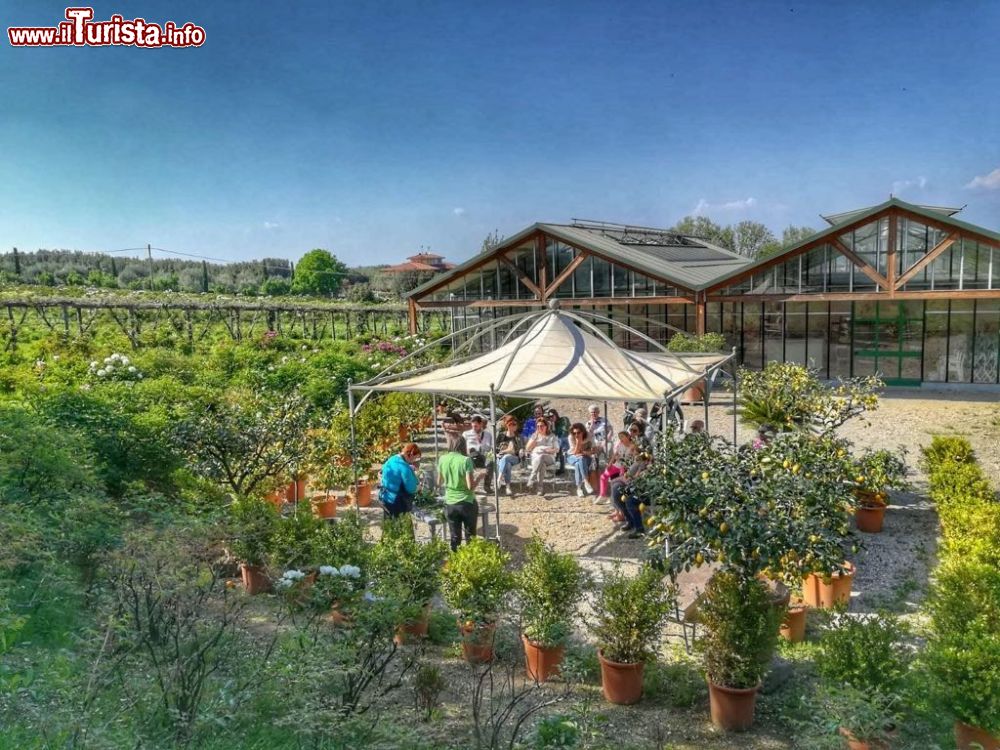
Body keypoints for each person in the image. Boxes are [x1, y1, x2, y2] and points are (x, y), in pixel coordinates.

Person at [437, 434, 478, 551]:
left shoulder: (442, 459)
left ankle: (455, 561)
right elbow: (470, 487)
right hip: (467, 502)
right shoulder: (466, 460)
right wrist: (480, 477)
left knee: (455, 537)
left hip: (450, 503)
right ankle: (471, 562)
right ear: (463, 445)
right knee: (470, 536)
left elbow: (439, 482)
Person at [610, 449, 651, 539]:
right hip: (634, 487)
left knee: (630, 498)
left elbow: (643, 481)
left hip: (646, 491)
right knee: (617, 490)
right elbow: (627, 475)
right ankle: (630, 520)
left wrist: (639, 474)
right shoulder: (639, 463)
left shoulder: (652, 467)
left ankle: (639, 528)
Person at [379, 443, 421, 518]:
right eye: (414, 458)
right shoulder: (404, 468)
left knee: (389, 524)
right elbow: (411, 489)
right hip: (396, 502)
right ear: (410, 455)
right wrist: (418, 487)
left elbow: (381, 472)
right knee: (401, 526)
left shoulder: (392, 459)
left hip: (385, 497)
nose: (413, 461)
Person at [594, 430, 635, 505]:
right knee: (603, 477)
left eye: (622, 437)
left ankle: (614, 498)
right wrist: (610, 463)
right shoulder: (620, 444)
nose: (621, 439)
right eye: (620, 437)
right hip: (617, 465)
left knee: (617, 482)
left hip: (626, 467)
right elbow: (615, 454)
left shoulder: (632, 446)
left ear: (628, 436)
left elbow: (632, 458)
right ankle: (603, 495)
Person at [525, 417, 559, 492]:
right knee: (542, 463)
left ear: (546, 426)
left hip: (549, 457)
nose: (539, 427)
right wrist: (535, 439)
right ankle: (540, 487)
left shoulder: (552, 436)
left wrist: (549, 450)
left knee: (542, 456)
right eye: (538, 426)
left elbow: (557, 449)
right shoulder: (534, 436)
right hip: (536, 458)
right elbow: (527, 449)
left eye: (542, 426)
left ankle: (532, 478)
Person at [463, 414, 494, 493]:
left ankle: (487, 486)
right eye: (473, 426)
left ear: (481, 424)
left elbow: (490, 449)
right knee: (467, 461)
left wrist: (481, 442)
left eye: (476, 426)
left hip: (484, 455)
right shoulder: (466, 434)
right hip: (471, 456)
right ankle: (469, 485)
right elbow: (462, 447)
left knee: (491, 461)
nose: (474, 428)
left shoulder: (487, 435)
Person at [495, 415, 523, 496]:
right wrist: (497, 454)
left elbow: (521, 448)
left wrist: (521, 450)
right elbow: (495, 448)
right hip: (501, 458)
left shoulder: (518, 437)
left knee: (507, 457)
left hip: (515, 458)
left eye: (515, 424)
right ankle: (508, 487)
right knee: (507, 464)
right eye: (512, 424)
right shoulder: (501, 435)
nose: (514, 426)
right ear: (507, 425)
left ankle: (499, 478)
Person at [565, 423, 595, 497]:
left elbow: (594, 450)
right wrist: (579, 442)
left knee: (579, 462)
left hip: (586, 456)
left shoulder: (589, 436)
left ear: (583, 431)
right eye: (574, 433)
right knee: (580, 459)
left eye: (578, 432)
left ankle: (579, 489)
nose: (576, 434)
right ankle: (586, 482)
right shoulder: (571, 437)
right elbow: (575, 452)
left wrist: (585, 452)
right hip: (571, 456)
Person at [547, 408, 570, 475]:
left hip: (566, 440)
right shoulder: (552, 424)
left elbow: (565, 431)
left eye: (552, 416)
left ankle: (560, 468)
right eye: (549, 417)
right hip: (558, 443)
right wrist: (552, 425)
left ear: (556, 414)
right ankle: (554, 467)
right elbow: (552, 435)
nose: (551, 418)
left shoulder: (564, 419)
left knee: (560, 442)